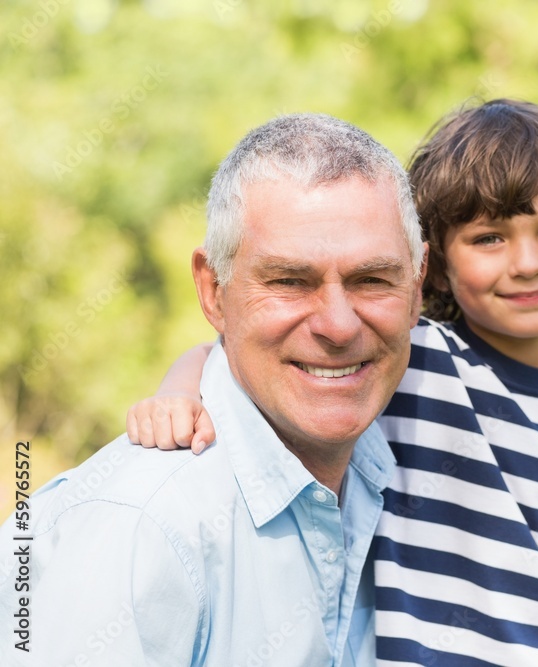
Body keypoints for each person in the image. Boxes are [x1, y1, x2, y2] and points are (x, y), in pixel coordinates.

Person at [128, 100, 538, 666]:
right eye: (489, 239)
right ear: (434, 262)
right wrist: (177, 396)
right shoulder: (412, 361)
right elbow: (227, 350)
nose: (528, 262)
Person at [0, 113, 426, 666]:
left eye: (373, 280)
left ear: (418, 291)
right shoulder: (136, 529)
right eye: (289, 281)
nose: (339, 325)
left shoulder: (412, 479)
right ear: (213, 292)